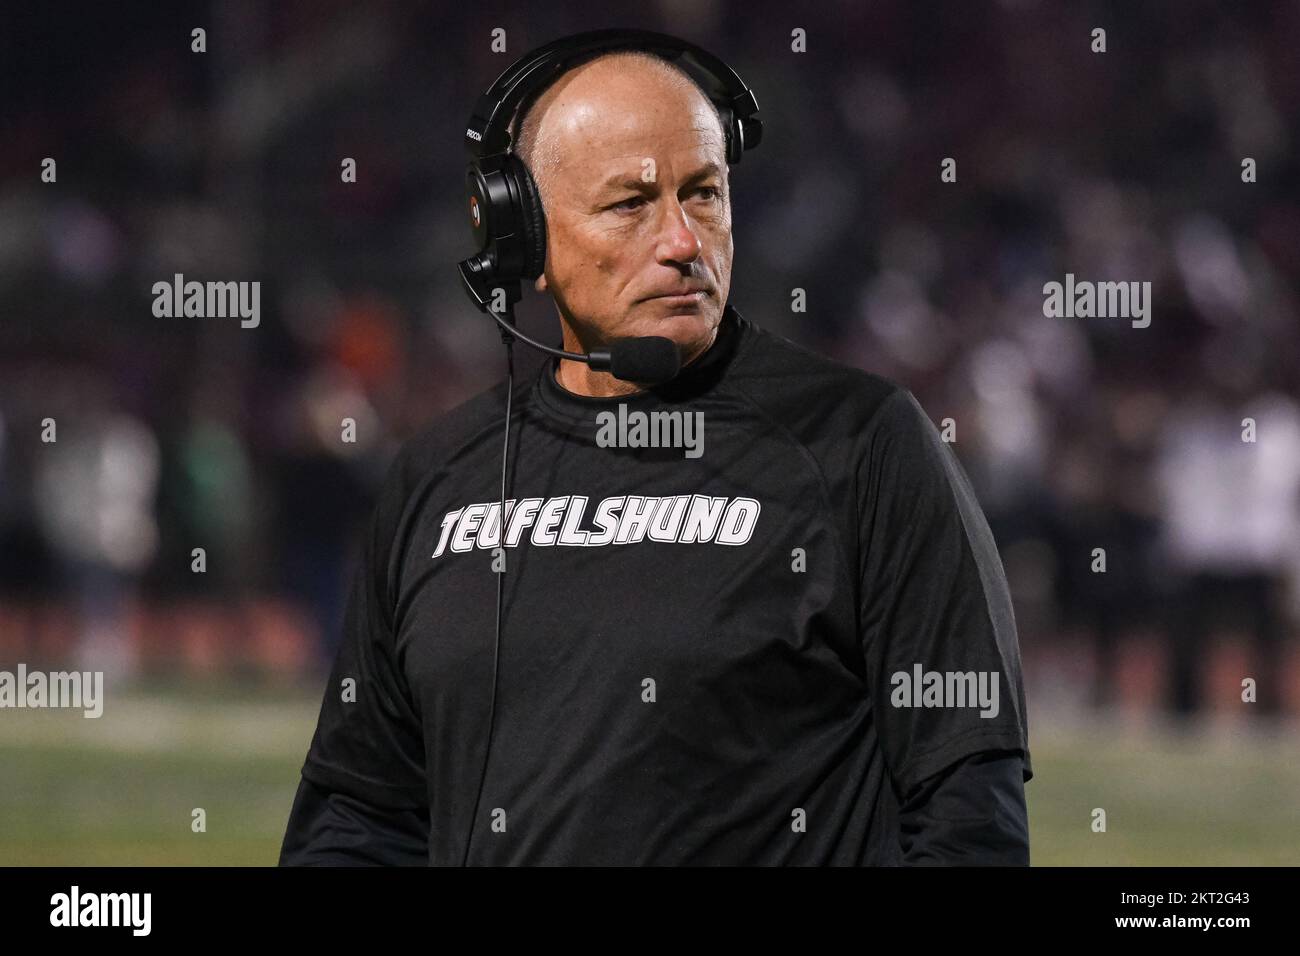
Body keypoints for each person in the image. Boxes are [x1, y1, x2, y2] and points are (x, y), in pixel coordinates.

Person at [279, 43, 1032, 866]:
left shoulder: (865, 443)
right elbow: (358, 816)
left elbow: (967, 810)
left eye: (704, 194)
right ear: (524, 238)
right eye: (631, 203)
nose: (682, 239)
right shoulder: (440, 474)